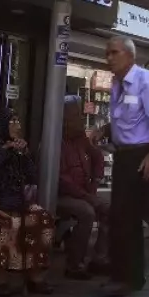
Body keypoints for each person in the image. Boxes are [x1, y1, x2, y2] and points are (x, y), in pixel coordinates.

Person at [93, 36, 149, 297]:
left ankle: (126, 278)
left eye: (114, 53)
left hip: (141, 155)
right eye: (107, 53)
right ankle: (126, 274)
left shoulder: (145, 80)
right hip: (123, 155)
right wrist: (105, 129)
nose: (109, 57)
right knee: (120, 215)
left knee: (127, 216)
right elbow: (128, 119)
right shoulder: (117, 82)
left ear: (130, 56)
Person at [0, 110, 54, 297]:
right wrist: (3, 152)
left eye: (18, 121)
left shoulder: (19, 149)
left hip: (18, 203)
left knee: (41, 218)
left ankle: (35, 276)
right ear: (0, 126)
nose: (18, 126)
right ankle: (1, 280)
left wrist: (23, 154)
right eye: (13, 122)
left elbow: (32, 176)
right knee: (5, 224)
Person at [57, 96, 110, 279]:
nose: (80, 120)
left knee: (108, 210)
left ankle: (99, 259)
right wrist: (87, 196)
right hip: (62, 195)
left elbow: (97, 157)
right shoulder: (56, 141)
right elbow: (62, 181)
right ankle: (74, 265)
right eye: (75, 116)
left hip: (83, 192)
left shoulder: (80, 140)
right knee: (86, 212)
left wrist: (95, 182)